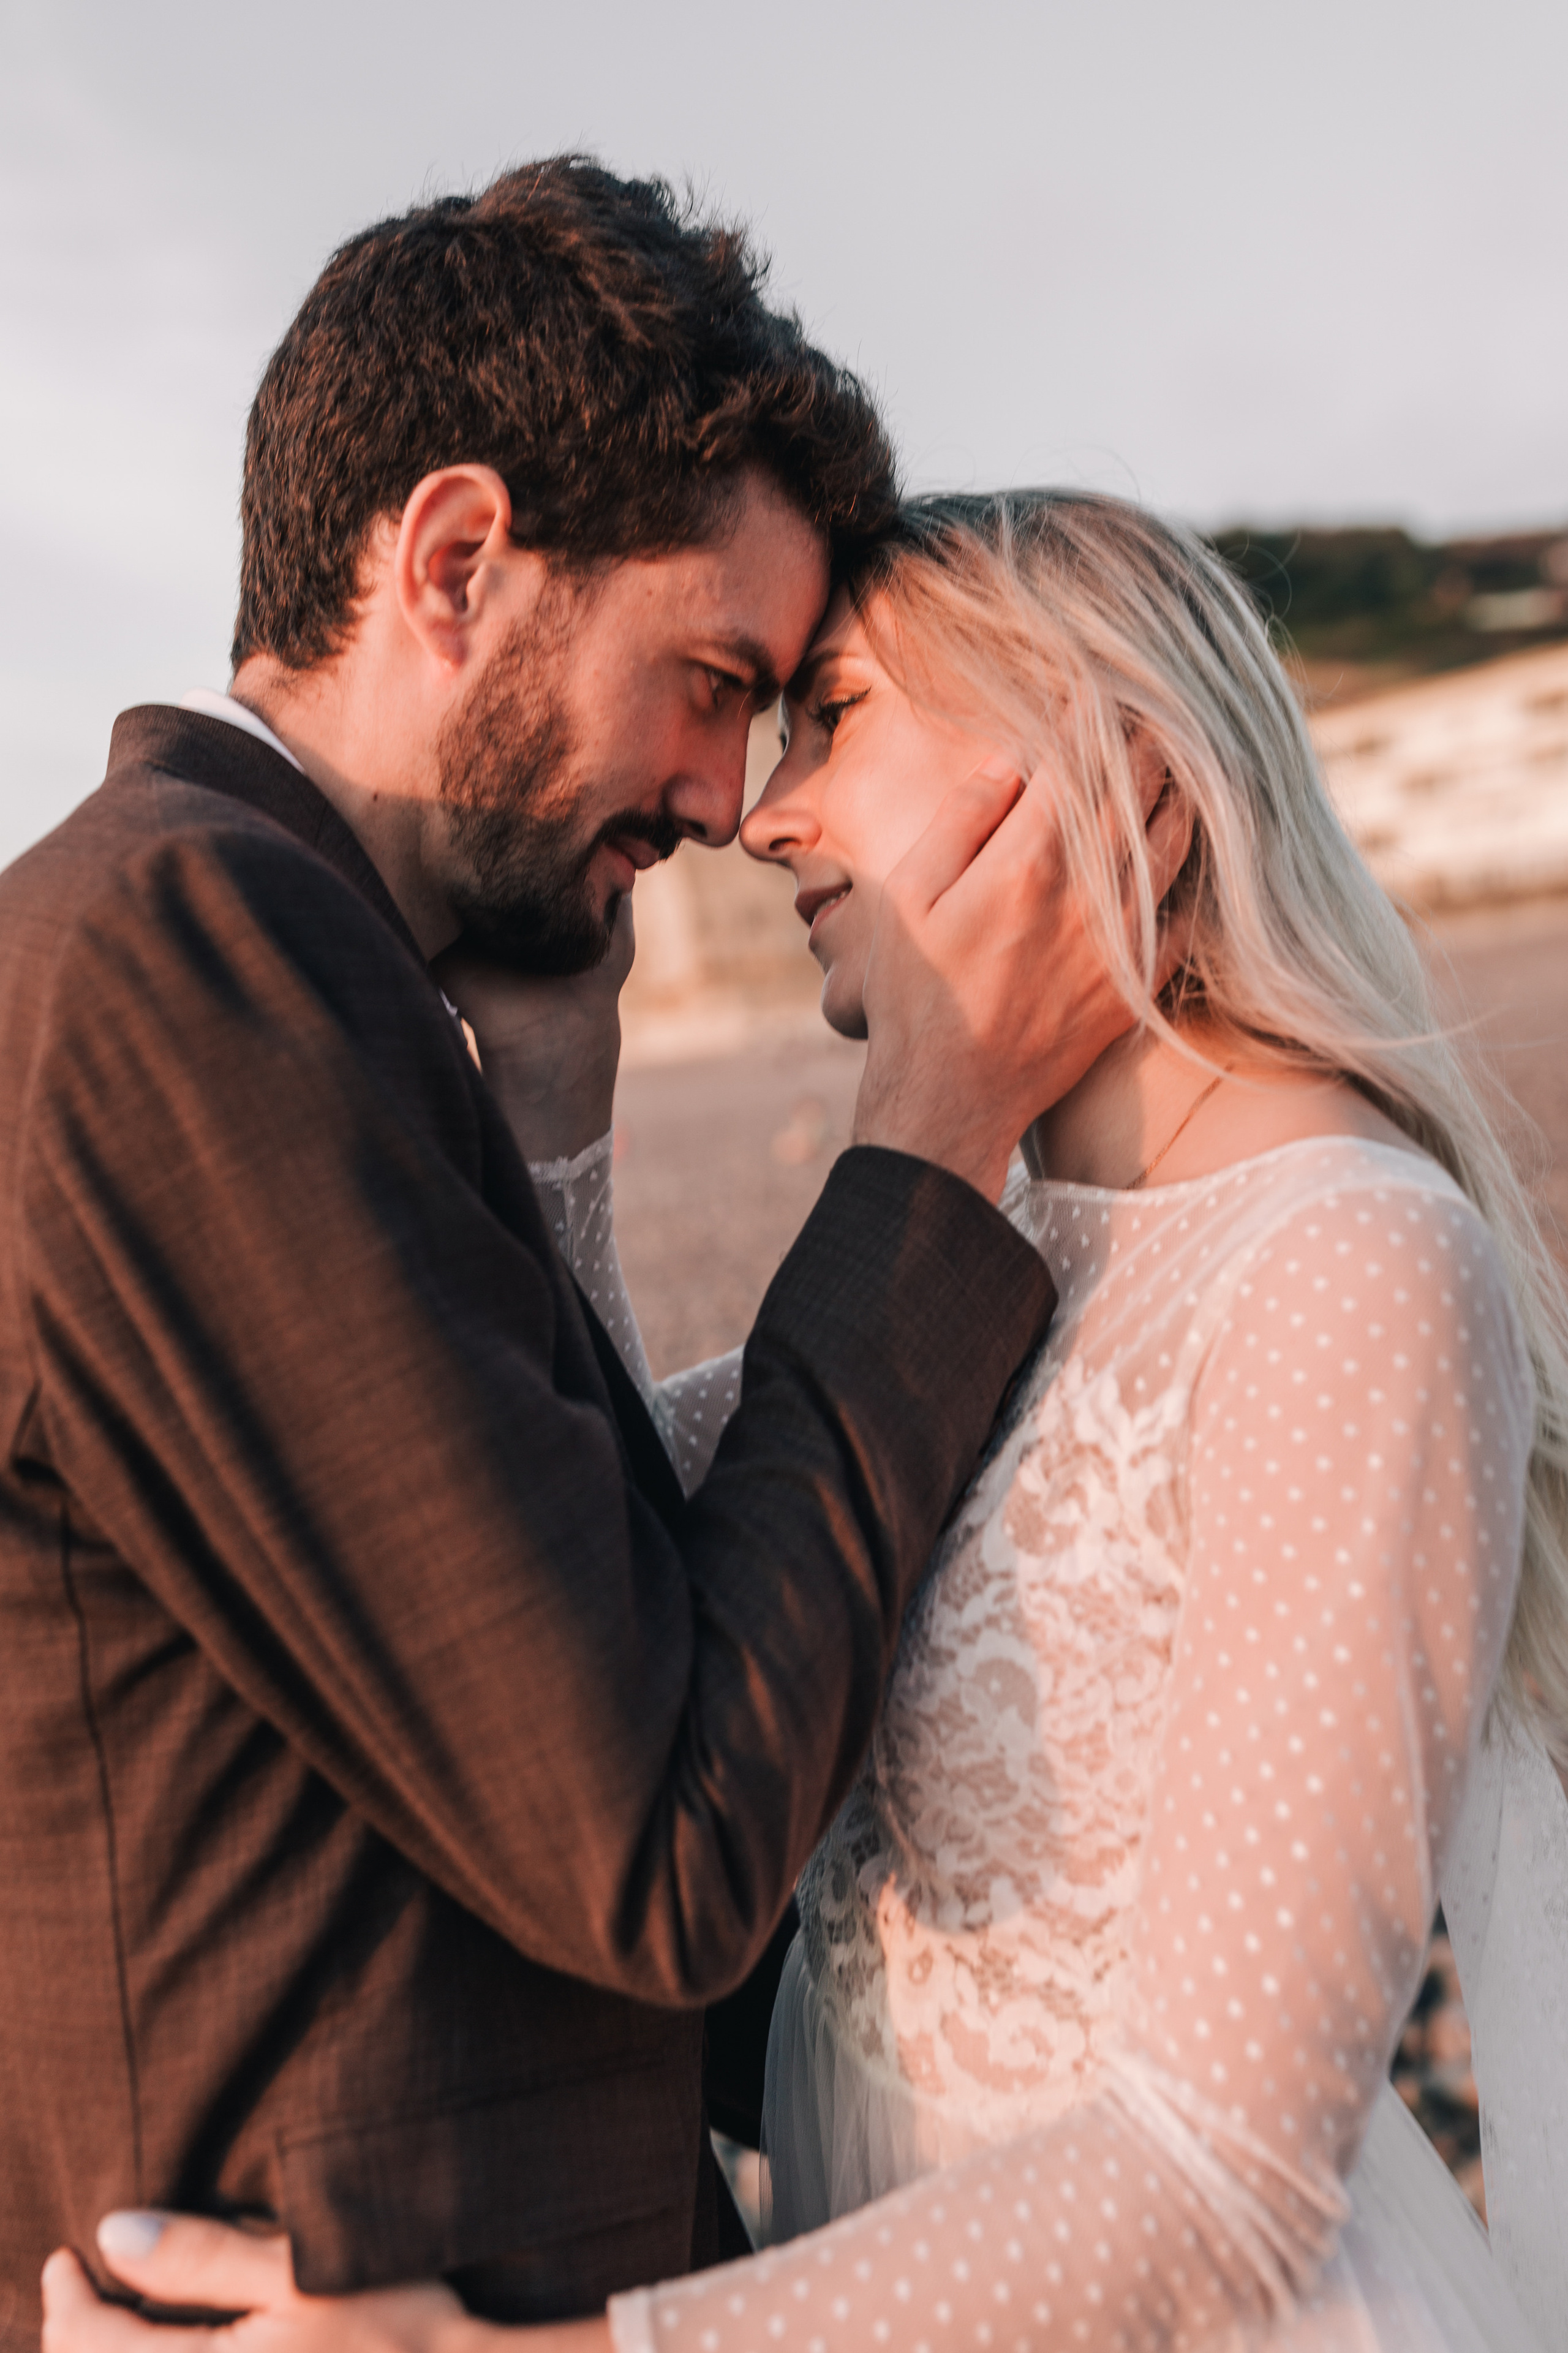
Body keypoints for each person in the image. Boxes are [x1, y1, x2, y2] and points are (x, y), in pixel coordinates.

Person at [51, 491, 1568, 2351]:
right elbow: (627, 1562)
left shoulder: (1347, 1263)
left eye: (833, 718)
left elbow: (1224, 2176)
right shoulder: (1010, 1266)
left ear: (1090, 758)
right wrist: (553, 1099)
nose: (762, 811)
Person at [1, 164, 1199, 2346]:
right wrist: (937, 1129)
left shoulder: (263, 964)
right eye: (713, 675)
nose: (736, 794)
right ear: (456, 563)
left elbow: (582, 1653)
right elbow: (667, 1838)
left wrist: (551, 1137)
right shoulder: (186, 948)